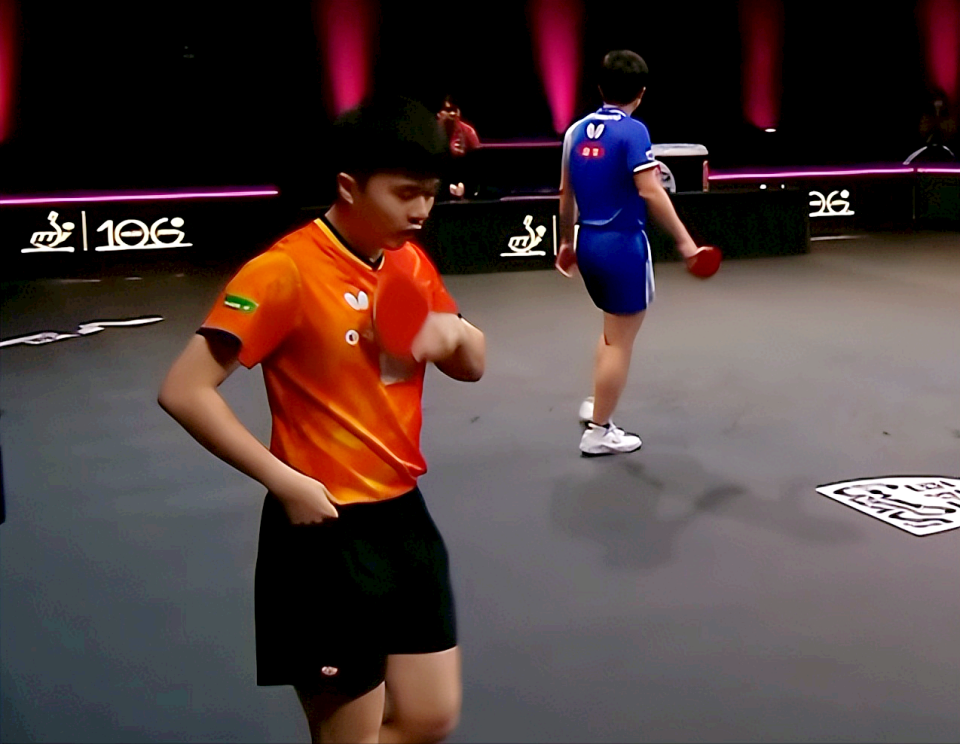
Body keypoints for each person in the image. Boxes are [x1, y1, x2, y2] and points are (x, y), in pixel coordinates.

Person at [158, 96, 486, 743]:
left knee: (430, 717)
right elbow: (184, 390)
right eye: (404, 194)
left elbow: (471, 364)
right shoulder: (284, 271)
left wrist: (448, 333)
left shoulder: (408, 261)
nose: (421, 210)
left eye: (430, 194)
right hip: (325, 532)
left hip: (403, 516)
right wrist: (285, 482)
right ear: (348, 186)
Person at [555, 50, 702, 457]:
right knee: (620, 342)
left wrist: (565, 243)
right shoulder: (634, 131)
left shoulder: (575, 132)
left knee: (610, 334)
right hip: (622, 247)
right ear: (641, 92)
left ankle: (597, 405)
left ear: (599, 87)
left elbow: (566, 195)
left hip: (588, 243)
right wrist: (686, 243)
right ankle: (599, 431)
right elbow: (651, 190)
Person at [437, 94, 481, 197]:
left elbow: (477, 167)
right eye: (448, 110)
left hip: (463, 182)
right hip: (438, 184)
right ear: (439, 113)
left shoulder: (468, 132)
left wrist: (465, 186)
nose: (452, 113)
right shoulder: (431, 133)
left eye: (455, 110)